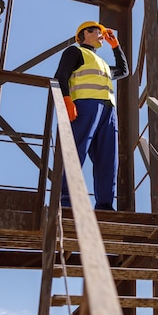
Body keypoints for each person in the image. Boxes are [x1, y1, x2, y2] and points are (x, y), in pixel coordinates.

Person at [54, 21, 128, 210]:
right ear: (85, 34)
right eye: (98, 32)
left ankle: (104, 205)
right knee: (76, 151)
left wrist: (116, 46)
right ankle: (67, 202)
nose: (102, 35)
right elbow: (61, 76)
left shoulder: (102, 63)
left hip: (108, 112)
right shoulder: (75, 52)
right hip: (85, 106)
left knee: (108, 159)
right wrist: (67, 100)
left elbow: (123, 71)